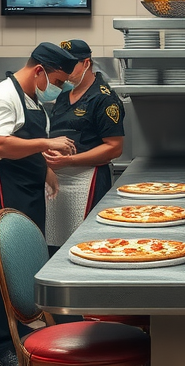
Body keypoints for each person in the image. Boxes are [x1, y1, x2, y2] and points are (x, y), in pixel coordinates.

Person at [0, 45, 76, 366]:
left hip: (27, 188)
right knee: (4, 269)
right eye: (57, 80)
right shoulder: (3, 96)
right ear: (39, 71)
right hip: (3, 188)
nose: (58, 87)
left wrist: (44, 170)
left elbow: (24, 144)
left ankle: (19, 331)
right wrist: (48, 144)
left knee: (27, 263)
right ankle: (2, 346)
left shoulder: (31, 98)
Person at [41, 39, 125, 249]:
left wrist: (70, 160)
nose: (64, 71)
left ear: (86, 63)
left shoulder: (103, 98)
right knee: (54, 243)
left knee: (86, 244)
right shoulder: (62, 96)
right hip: (57, 180)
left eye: (70, 65)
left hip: (87, 179)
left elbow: (114, 147)